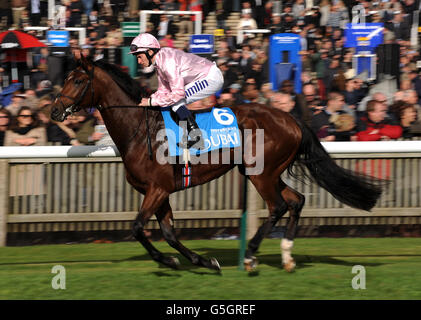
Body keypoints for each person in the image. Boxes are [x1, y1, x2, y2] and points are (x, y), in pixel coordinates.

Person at [130, 33, 224, 149]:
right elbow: (163, 90)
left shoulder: (167, 62)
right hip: (206, 75)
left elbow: (177, 94)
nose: (139, 61)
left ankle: (198, 138)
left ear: (149, 52)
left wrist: (150, 102)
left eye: (139, 57)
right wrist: (149, 100)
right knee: (172, 101)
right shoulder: (160, 61)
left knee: (176, 102)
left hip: (211, 78)